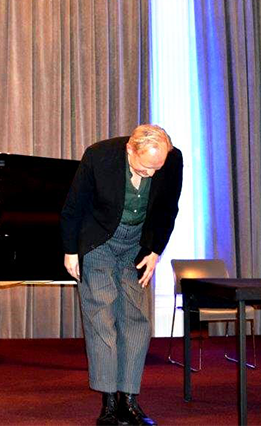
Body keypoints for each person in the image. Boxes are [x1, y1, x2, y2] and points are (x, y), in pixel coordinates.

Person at [61, 124, 183, 426]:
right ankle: (109, 403)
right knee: (101, 319)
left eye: (156, 168)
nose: (151, 174)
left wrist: (155, 251)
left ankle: (129, 400)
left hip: (138, 245)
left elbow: (168, 208)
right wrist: (70, 250)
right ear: (130, 150)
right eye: (144, 168)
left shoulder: (171, 160)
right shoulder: (99, 156)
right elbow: (74, 206)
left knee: (136, 320)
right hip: (99, 241)